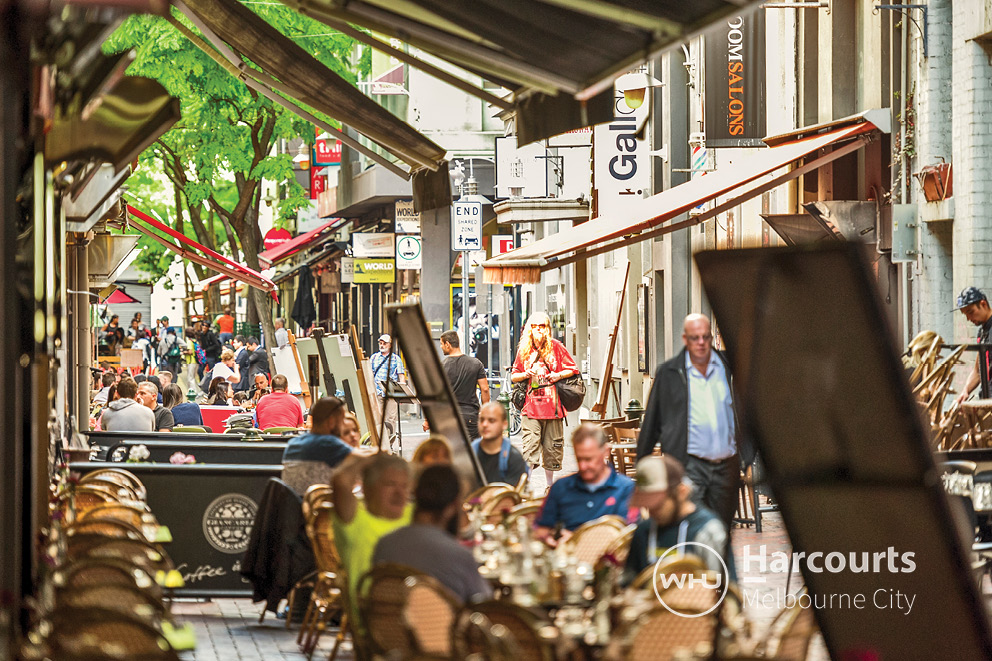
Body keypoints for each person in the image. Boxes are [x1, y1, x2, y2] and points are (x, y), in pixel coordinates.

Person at [636, 313, 754, 531]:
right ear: (685, 339)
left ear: (712, 338)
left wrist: (746, 456)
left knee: (721, 531)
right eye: (694, 337)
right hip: (689, 466)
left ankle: (718, 565)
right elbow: (652, 422)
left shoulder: (730, 367)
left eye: (705, 337)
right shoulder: (670, 373)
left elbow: (751, 411)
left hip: (726, 468)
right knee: (690, 528)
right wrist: (642, 471)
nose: (701, 343)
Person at [373, 465, 490, 604]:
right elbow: (485, 604)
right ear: (451, 508)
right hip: (445, 625)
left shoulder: (384, 546)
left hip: (388, 625)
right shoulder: (459, 556)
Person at [624, 455, 731, 584]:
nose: (651, 511)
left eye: (658, 504)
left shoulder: (707, 531)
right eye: (647, 504)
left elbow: (726, 592)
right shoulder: (643, 531)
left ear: (682, 492)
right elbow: (628, 582)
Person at [332, 453, 412, 615]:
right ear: (368, 488)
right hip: (375, 619)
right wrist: (368, 457)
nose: (399, 493)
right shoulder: (355, 519)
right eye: (390, 484)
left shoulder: (414, 513)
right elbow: (340, 481)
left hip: (420, 610)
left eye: (404, 486)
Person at [534, 424, 634, 546]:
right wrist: (549, 538)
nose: (583, 466)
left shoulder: (626, 489)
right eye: (579, 459)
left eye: (588, 459)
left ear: (606, 452)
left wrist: (576, 540)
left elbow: (629, 538)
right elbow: (541, 530)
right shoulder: (561, 487)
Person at [511, 311, 578, 487]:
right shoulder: (524, 350)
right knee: (529, 448)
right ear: (529, 329)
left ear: (548, 328)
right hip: (531, 408)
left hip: (553, 409)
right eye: (535, 326)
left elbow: (573, 369)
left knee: (552, 450)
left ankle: (549, 486)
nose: (539, 329)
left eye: (542, 326)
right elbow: (514, 376)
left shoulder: (556, 347)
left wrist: (557, 375)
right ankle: (526, 487)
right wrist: (526, 374)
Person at [281, 396, 352, 495]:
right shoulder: (328, 443)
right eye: (342, 420)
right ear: (331, 421)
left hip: (292, 506)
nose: (344, 425)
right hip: (313, 508)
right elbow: (363, 460)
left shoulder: (293, 443)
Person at [439, 329, 489, 440]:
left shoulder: (441, 366)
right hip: (470, 415)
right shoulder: (476, 363)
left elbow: (437, 394)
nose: (441, 347)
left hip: (448, 415)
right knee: (472, 451)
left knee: (451, 450)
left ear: (448, 344)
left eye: (442, 344)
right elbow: (485, 389)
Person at [472, 402, 528, 486]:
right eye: (481, 420)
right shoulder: (470, 453)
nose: (485, 424)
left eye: (491, 421)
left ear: (504, 424)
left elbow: (511, 497)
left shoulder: (514, 458)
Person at [954, 287, 992, 405]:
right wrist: (966, 390)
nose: (969, 318)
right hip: (986, 401)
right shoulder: (982, 331)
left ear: (983, 304)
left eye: (970, 312)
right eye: (965, 314)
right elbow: (978, 370)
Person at [370, 333, 406, 450]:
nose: (382, 345)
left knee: (391, 419)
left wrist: (401, 393)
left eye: (384, 343)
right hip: (377, 393)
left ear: (390, 345)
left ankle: (389, 443)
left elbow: (401, 377)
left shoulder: (396, 359)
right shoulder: (374, 358)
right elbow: (369, 374)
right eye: (380, 343)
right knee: (378, 419)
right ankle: (379, 442)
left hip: (391, 394)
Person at [183, 327, 201, 392]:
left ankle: (193, 391)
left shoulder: (189, 341)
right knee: (193, 377)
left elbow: (190, 352)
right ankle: (193, 390)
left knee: (190, 378)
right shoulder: (194, 340)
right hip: (195, 361)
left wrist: (184, 352)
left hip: (191, 361)